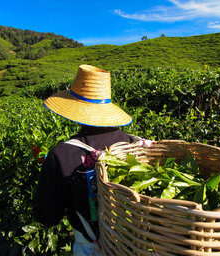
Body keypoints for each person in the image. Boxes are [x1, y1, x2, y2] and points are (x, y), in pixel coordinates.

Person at [33, 64, 133, 255]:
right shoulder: (132, 144)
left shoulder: (61, 154)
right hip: (132, 243)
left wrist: (51, 170)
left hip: (91, 248)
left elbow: (48, 216)